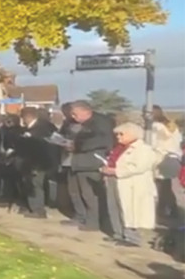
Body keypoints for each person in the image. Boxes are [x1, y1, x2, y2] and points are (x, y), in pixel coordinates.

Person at [100, 122, 160, 246]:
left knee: (130, 211)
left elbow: (139, 167)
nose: (118, 137)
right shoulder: (119, 148)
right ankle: (118, 233)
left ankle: (132, 238)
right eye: (117, 134)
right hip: (115, 180)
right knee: (114, 207)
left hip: (133, 185)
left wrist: (116, 171)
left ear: (133, 134)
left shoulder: (144, 149)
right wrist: (106, 169)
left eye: (121, 134)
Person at [66, 100, 114, 232]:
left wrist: (78, 145)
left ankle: (94, 222)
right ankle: (81, 216)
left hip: (91, 162)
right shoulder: (77, 124)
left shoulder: (101, 122)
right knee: (76, 191)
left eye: (75, 114)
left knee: (90, 194)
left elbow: (103, 141)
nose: (73, 117)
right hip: (78, 161)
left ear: (86, 111)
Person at [16, 107, 56, 218]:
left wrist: (36, 165)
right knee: (30, 185)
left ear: (26, 117)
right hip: (28, 163)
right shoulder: (29, 129)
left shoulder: (40, 129)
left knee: (35, 185)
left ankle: (38, 210)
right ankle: (32, 207)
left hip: (37, 163)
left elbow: (41, 149)